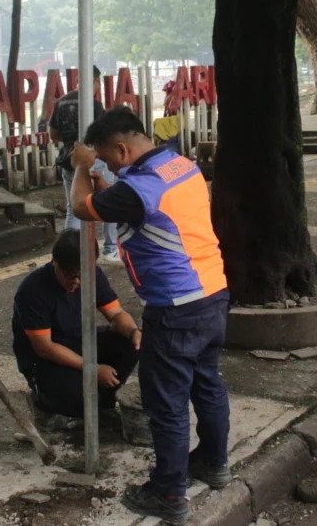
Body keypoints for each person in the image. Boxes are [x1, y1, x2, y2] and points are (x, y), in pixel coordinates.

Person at [70, 108, 230, 526]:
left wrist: (81, 168)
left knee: (167, 403)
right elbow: (145, 207)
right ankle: (214, 463)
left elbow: (82, 207)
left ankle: (168, 493)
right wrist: (107, 185)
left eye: (107, 157)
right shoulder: (181, 166)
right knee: (208, 385)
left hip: (175, 308)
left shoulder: (138, 188)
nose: (107, 165)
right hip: (213, 293)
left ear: (123, 149)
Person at [12, 229, 140, 429]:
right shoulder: (32, 290)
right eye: (71, 276)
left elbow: (116, 314)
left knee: (130, 343)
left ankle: (104, 405)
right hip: (46, 360)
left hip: (78, 341)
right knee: (80, 400)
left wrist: (134, 332)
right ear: (55, 263)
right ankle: (43, 403)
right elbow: (45, 348)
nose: (77, 282)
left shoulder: (92, 275)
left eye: (82, 276)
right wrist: (92, 369)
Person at [45, 66, 120, 264]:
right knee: (108, 199)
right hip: (94, 158)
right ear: (95, 81)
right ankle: (111, 248)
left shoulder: (61, 102)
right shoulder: (94, 104)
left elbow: (54, 134)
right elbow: (103, 134)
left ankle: (70, 254)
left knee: (74, 206)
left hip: (69, 158)